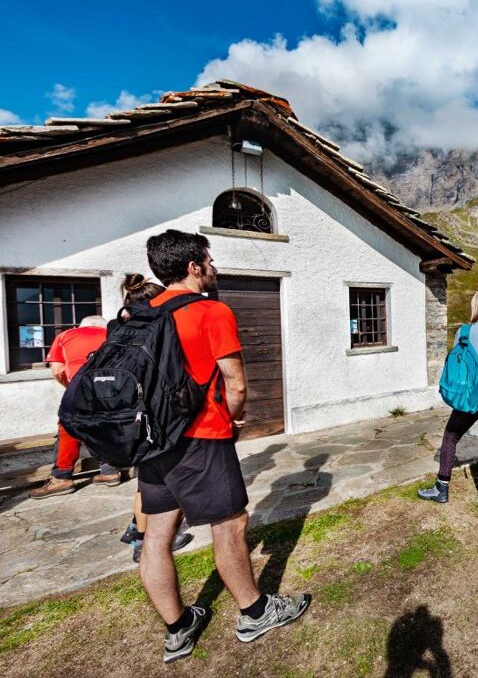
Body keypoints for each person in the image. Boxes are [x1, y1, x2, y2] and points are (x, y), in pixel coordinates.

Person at [138, 229, 309, 663]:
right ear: (194, 267)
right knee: (230, 524)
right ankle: (254, 612)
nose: (214, 268)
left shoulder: (140, 312)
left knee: (156, 536)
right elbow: (235, 384)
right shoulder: (211, 311)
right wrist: (232, 419)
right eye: (210, 262)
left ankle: (178, 629)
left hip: (153, 440)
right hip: (202, 436)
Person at [112, 274, 193, 562]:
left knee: (143, 480)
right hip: (152, 421)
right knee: (153, 485)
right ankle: (144, 542)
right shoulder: (155, 330)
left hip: (125, 419)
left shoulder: (118, 328)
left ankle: (136, 528)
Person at [418, 289, 478, 514]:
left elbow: (459, 360)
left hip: (472, 396)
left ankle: (441, 489)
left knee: (451, 437)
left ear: (477, 307)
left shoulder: (464, 331)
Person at [29, 315, 122, 499]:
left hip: (80, 389)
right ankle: (110, 470)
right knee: (104, 425)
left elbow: (58, 370)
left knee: (68, 426)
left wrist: (70, 389)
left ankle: (62, 477)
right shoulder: (114, 336)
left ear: (81, 325)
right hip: (112, 391)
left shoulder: (66, 335)